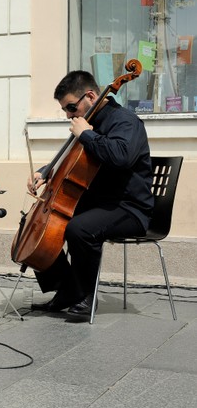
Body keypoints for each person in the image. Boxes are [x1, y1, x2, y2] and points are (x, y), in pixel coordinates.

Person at [28, 70, 153, 317]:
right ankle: (66, 288)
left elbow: (121, 157)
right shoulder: (88, 122)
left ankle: (86, 295)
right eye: (65, 110)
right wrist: (45, 172)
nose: (69, 115)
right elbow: (72, 162)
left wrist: (86, 134)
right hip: (97, 202)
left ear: (91, 96)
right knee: (38, 225)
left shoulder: (125, 121)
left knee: (79, 229)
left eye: (71, 107)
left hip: (128, 207)